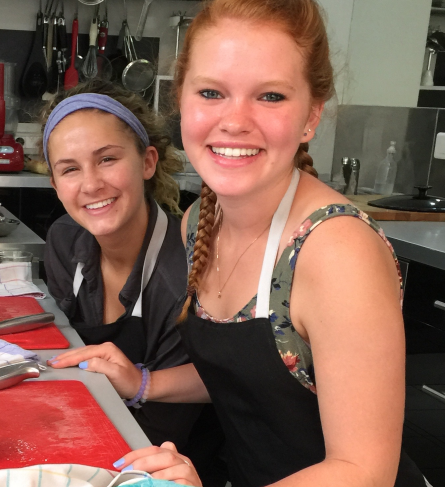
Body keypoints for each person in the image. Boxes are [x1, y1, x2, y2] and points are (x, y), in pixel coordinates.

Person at [48, 1, 428, 486]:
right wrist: (144, 383)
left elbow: (363, 471)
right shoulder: (199, 224)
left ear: (311, 117)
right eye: (211, 92)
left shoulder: (336, 251)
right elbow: (247, 376)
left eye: (270, 96)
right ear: (181, 100)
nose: (235, 120)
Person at [41, 81, 226, 484]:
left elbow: (160, 436)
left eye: (107, 159)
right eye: (70, 169)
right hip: (87, 430)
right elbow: (61, 356)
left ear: (147, 162)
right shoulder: (63, 241)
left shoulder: (186, 274)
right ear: (55, 186)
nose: (90, 184)